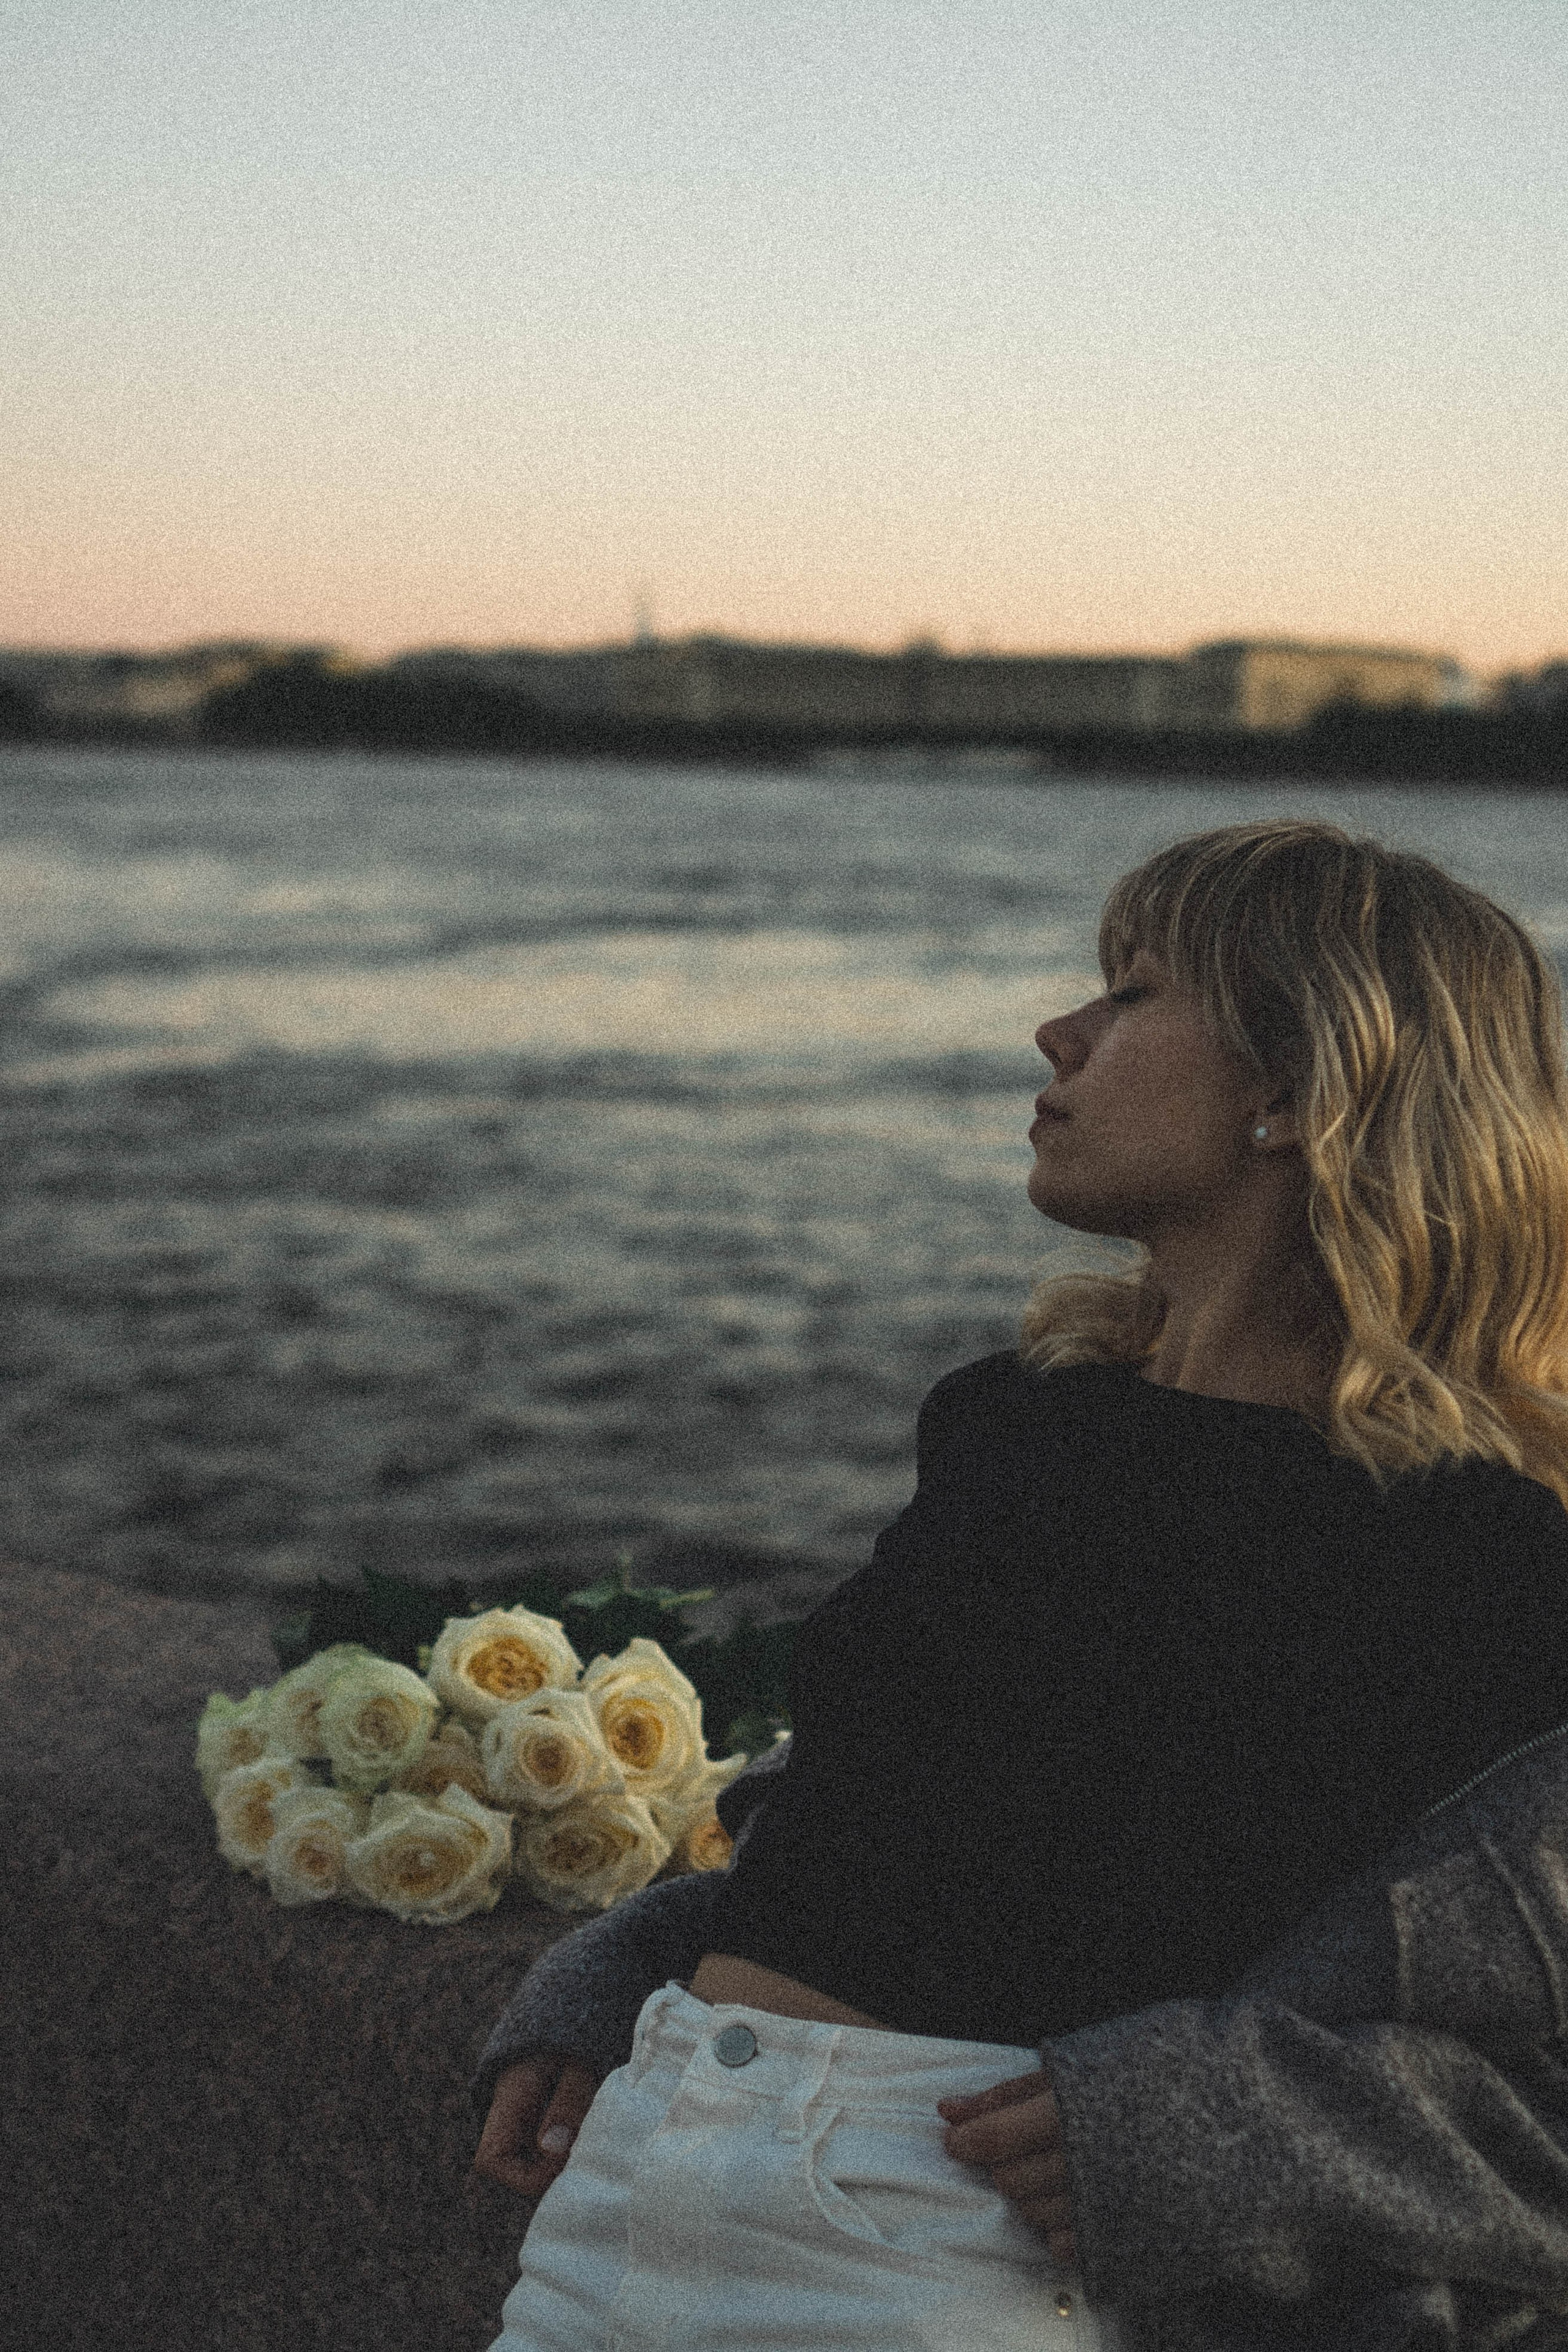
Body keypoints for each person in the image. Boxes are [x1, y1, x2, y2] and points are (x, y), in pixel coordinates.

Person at [473, 820, 1568, 2350]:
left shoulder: (1481, 1554)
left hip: (954, 2252)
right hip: (637, 2177)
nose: (1058, 1032)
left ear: (1295, 1091)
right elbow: (909, 1831)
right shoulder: (1013, 1417)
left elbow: (1518, 2067)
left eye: (1130, 995)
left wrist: (1211, 2127)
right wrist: (635, 1969)